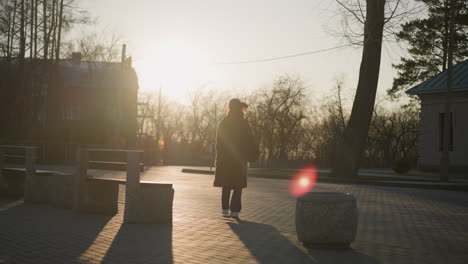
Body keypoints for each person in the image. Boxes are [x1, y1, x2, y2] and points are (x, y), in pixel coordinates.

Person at [214, 98, 258, 218]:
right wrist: (251, 154)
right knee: (238, 185)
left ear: (229, 108)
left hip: (226, 158)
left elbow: (219, 142)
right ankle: (235, 211)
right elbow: (251, 140)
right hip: (240, 159)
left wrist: (219, 157)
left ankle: (225, 208)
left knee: (226, 184)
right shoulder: (244, 123)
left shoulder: (224, 122)